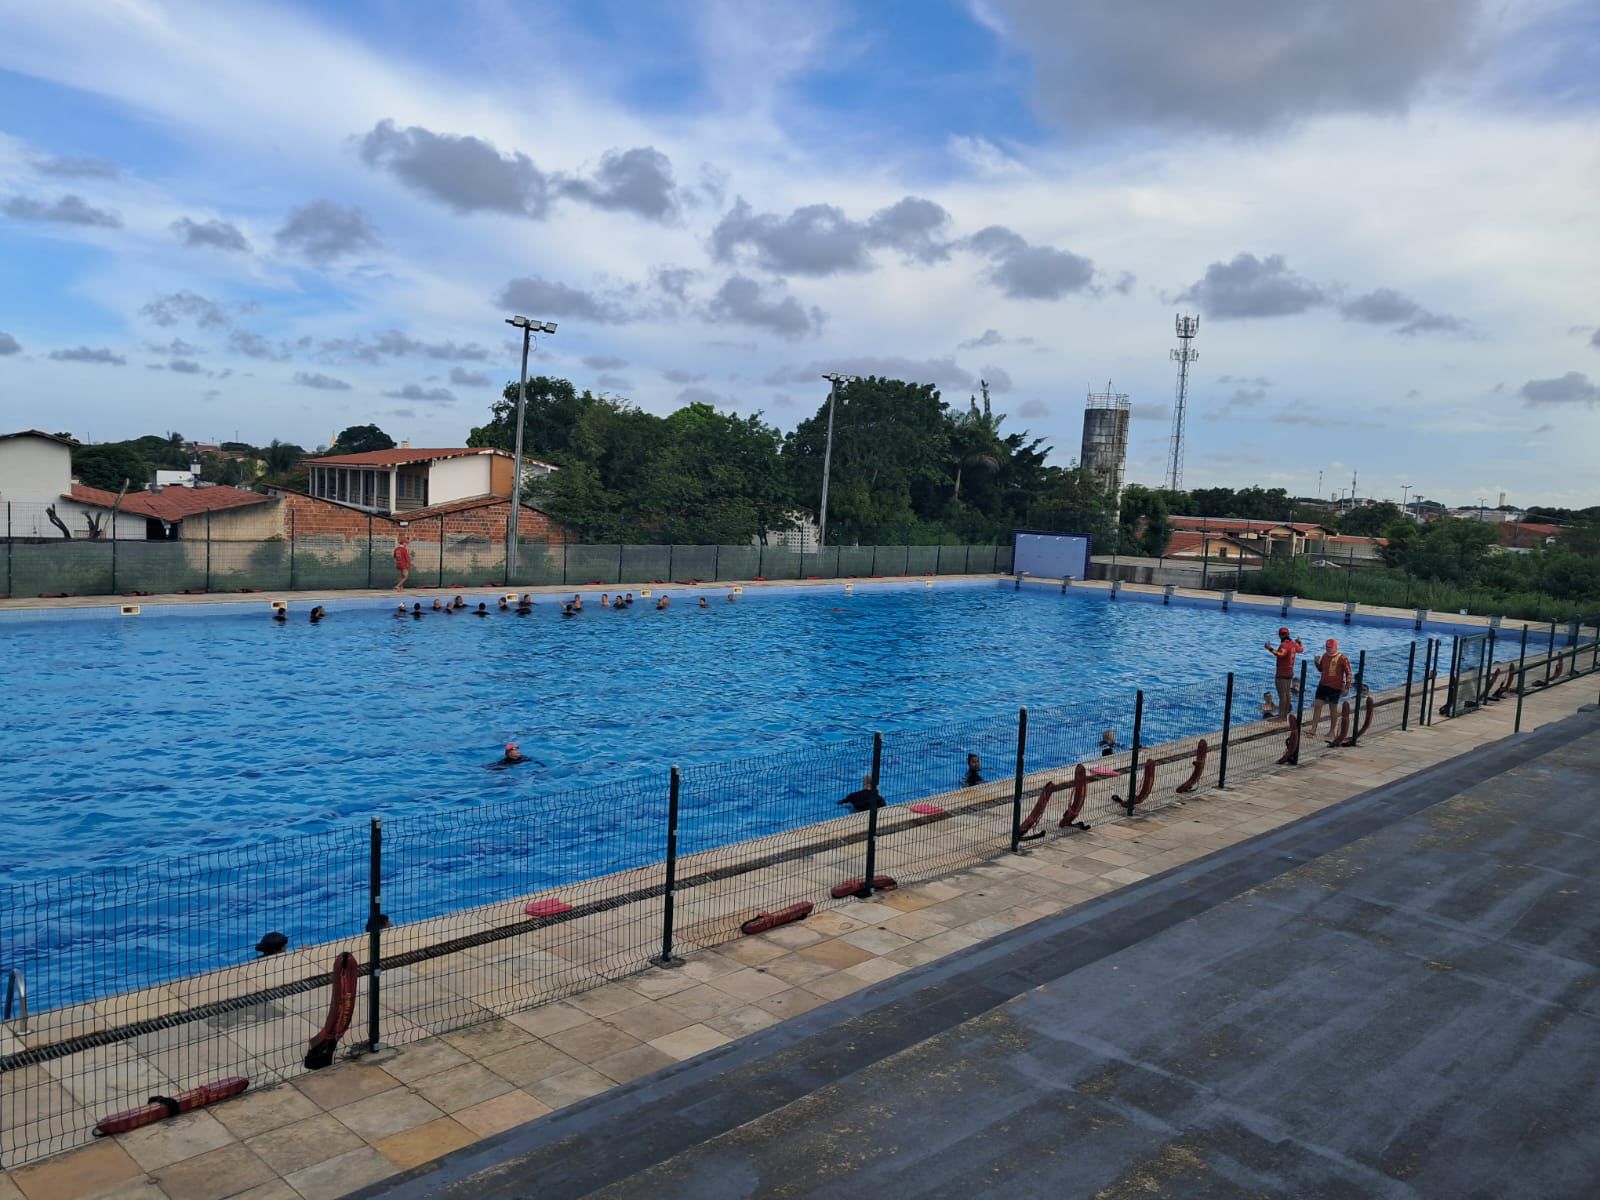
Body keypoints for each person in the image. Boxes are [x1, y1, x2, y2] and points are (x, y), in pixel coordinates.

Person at [1306, 638, 1352, 738]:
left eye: (1330, 647)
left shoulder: (1342, 658)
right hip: (1323, 685)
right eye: (1327, 647)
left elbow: (1349, 673)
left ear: (1335, 647)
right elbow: (1321, 669)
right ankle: (1313, 729)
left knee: (1333, 709)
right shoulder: (1325, 656)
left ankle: (1332, 731)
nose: (1327, 649)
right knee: (1317, 706)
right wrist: (1316, 663)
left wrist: (1347, 687)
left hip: (1335, 687)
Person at [1264, 627, 1305, 720]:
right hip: (1290, 672)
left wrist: (1269, 648)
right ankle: (1285, 715)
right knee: (1287, 695)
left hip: (1282, 673)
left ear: (1280, 635)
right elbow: (1302, 649)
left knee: (1282, 696)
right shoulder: (1293, 644)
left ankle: (1281, 717)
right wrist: (1299, 642)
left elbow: (1281, 654)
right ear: (1288, 634)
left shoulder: (1284, 645)